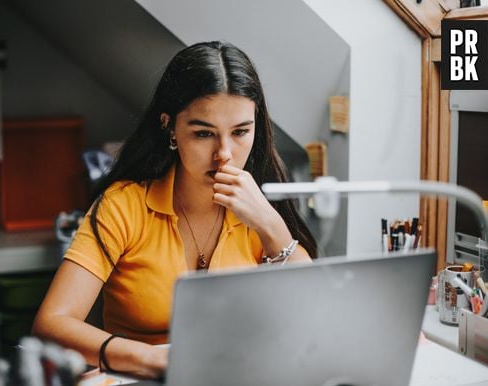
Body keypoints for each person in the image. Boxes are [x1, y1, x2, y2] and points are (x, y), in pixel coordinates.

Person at [32, 41, 317, 379]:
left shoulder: (258, 209)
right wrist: (153, 361)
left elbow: (310, 317)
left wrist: (271, 226)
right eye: (203, 133)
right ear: (170, 127)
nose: (224, 153)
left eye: (241, 131)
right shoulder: (124, 205)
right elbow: (51, 323)